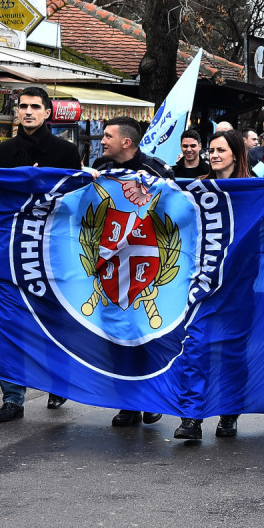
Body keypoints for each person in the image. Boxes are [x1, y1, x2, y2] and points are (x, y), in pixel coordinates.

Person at [0, 87, 83, 422]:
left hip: (53, 250)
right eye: (23, 106)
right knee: (10, 323)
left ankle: (57, 382)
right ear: (16, 112)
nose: (28, 112)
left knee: (52, 321)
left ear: (47, 112)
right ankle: (13, 397)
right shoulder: (2, 153)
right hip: (13, 249)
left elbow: (76, 202)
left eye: (35, 107)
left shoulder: (67, 152)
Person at [87, 116, 173, 429]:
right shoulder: (101, 167)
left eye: (107, 135)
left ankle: (148, 399)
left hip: (145, 266)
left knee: (144, 338)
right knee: (118, 339)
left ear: (127, 142)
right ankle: (127, 404)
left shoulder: (155, 169)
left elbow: (175, 206)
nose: (102, 140)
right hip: (111, 266)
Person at [173, 129, 251, 441]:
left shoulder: (253, 187)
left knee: (233, 351)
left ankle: (229, 414)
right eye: (212, 150)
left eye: (221, 150)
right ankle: (191, 416)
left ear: (236, 154)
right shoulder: (199, 187)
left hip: (240, 283)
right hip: (203, 282)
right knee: (195, 346)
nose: (215, 155)